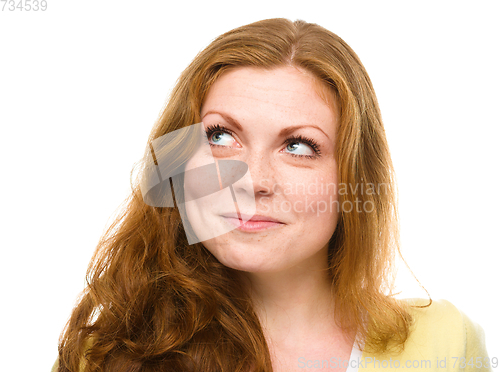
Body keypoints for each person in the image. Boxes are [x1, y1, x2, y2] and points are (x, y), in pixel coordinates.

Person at [52, 18, 493, 372]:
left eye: (299, 146)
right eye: (221, 136)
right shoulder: (106, 356)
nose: (253, 180)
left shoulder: (446, 345)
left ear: (352, 179)